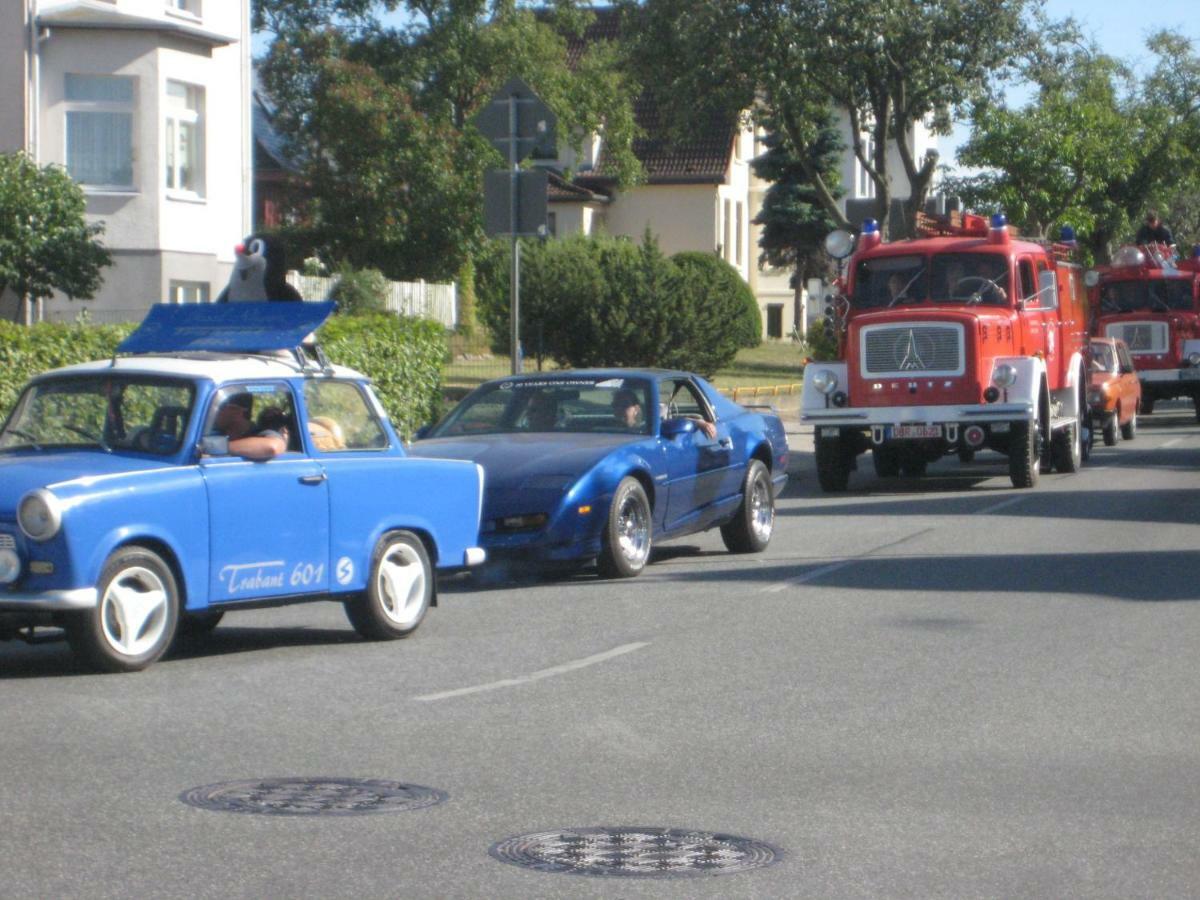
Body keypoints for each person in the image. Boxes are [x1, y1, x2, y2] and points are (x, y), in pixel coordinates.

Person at [208, 393, 289, 459]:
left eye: (219, 407)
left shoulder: (259, 434)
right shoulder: (214, 432)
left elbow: (273, 447)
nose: (214, 412)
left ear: (236, 411)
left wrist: (216, 446)